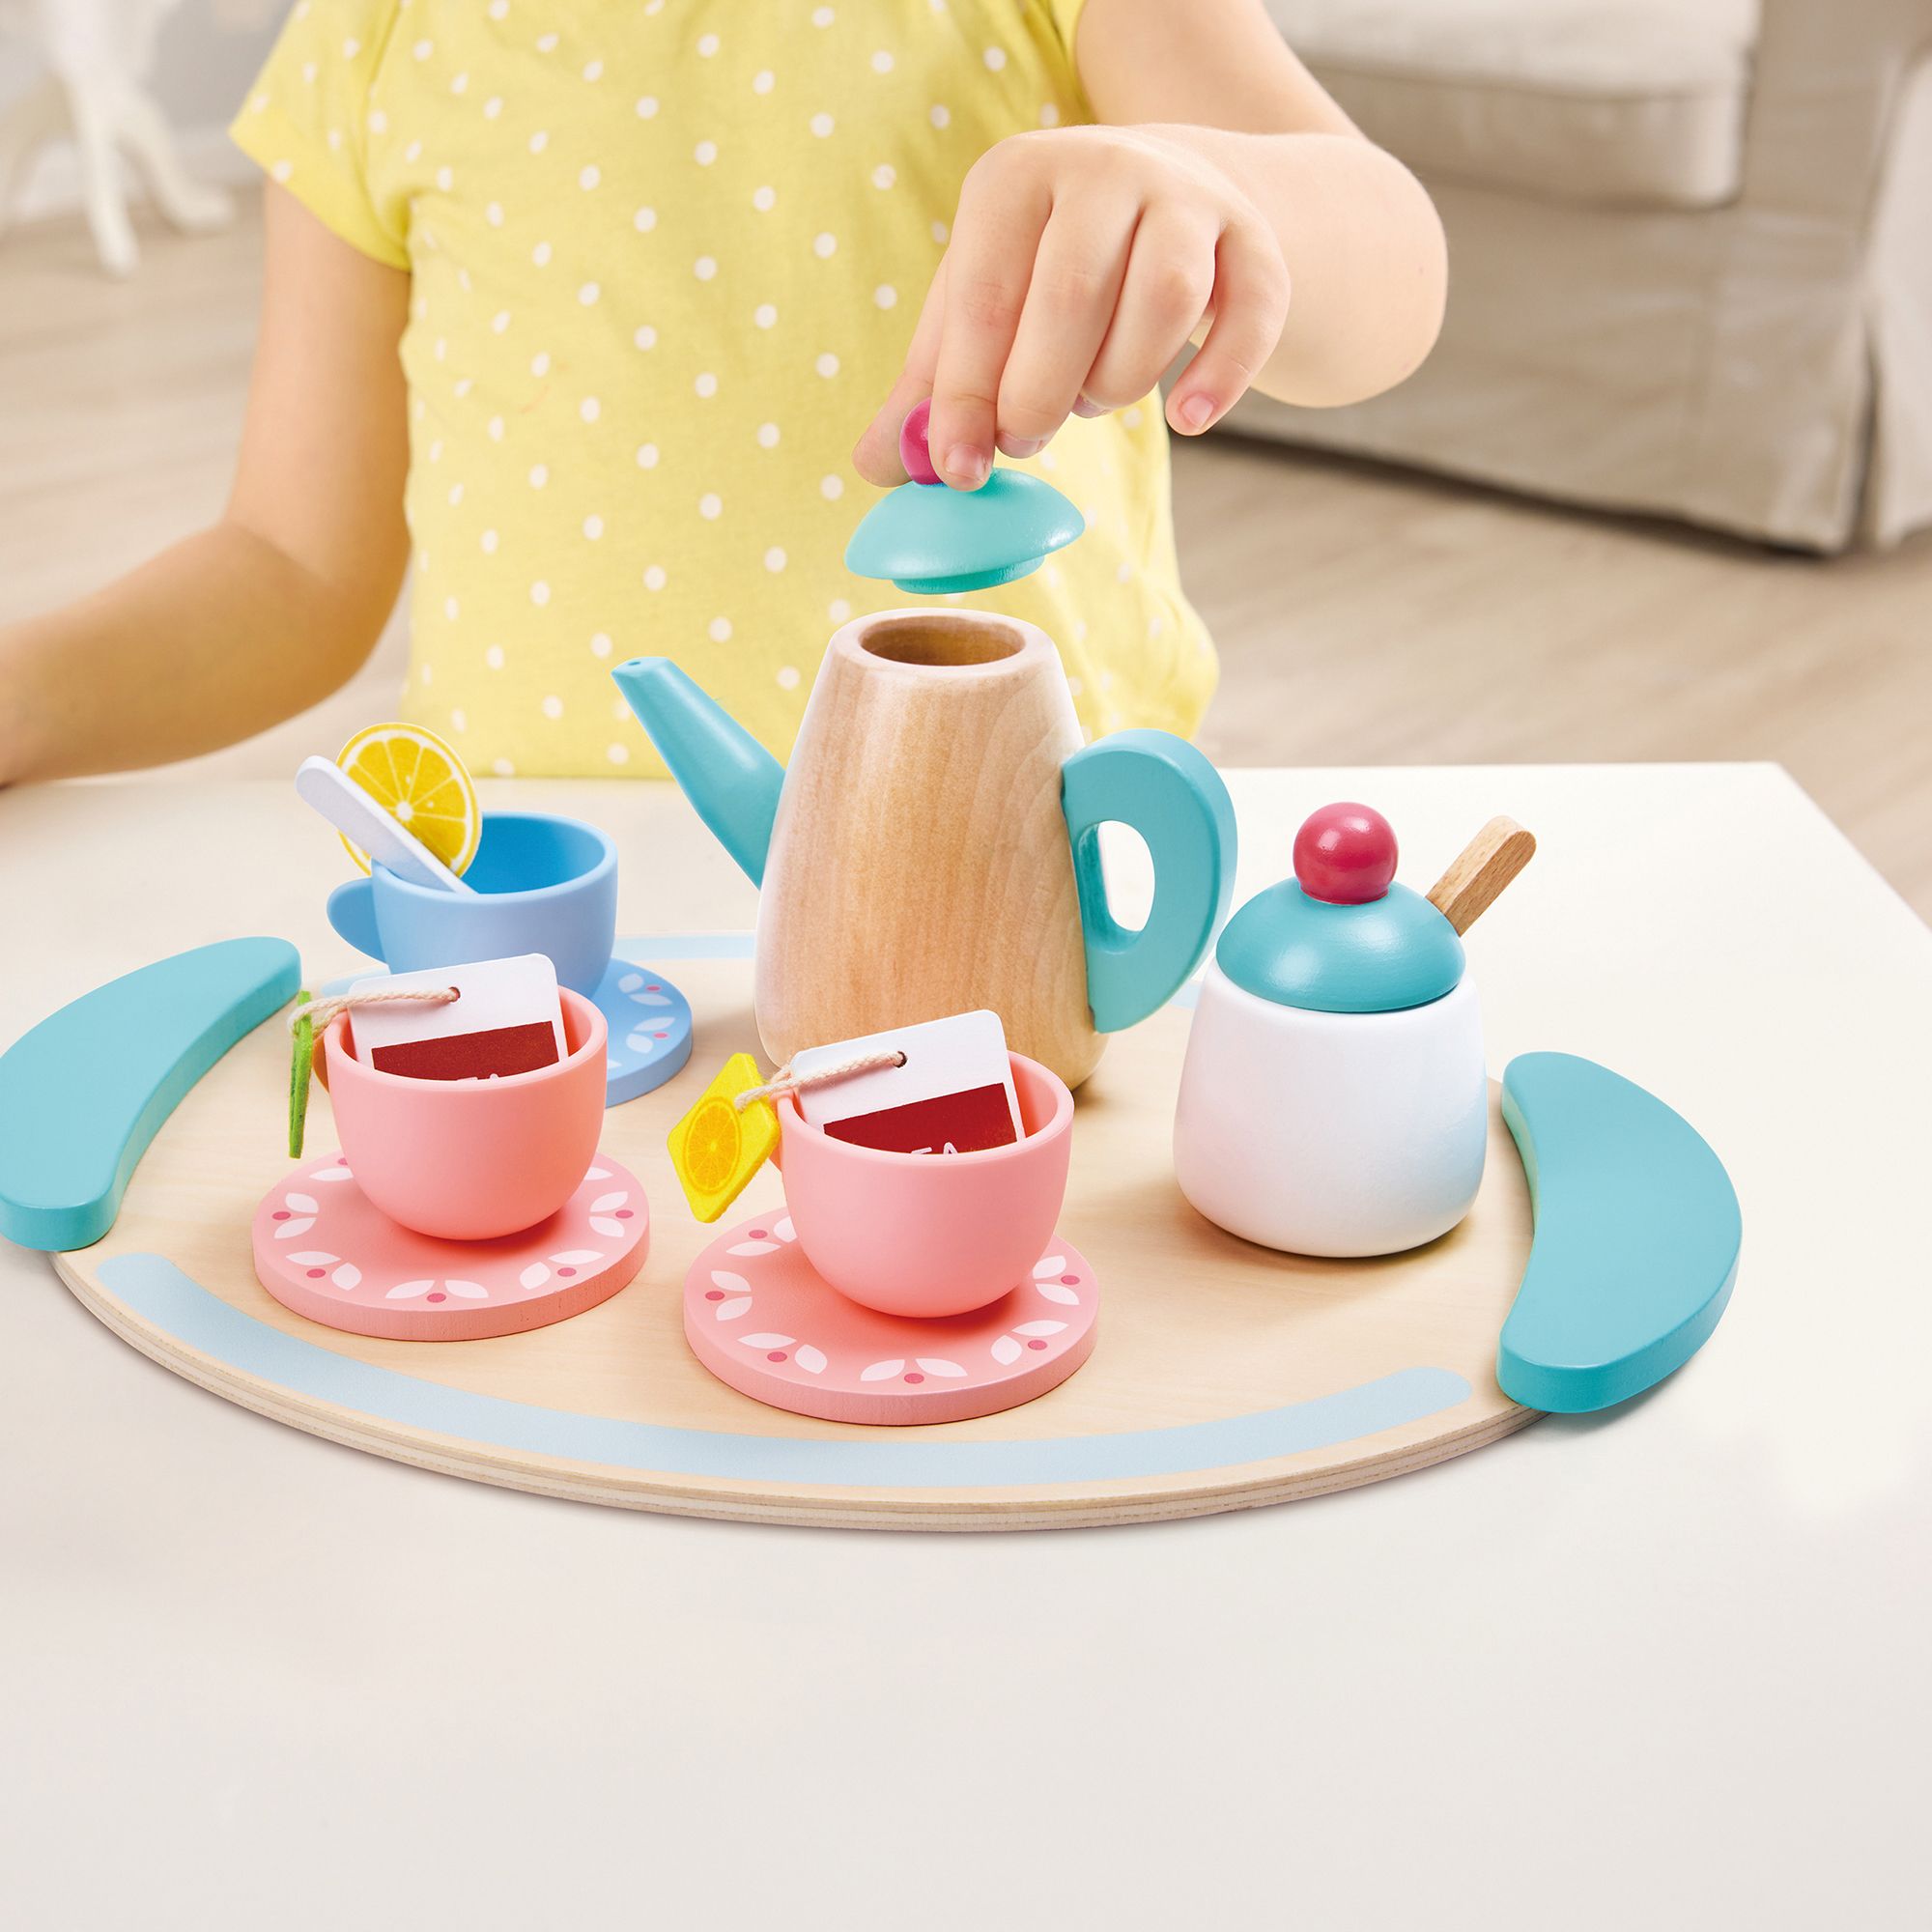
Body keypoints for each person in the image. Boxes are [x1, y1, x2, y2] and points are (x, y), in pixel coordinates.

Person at [0, 0, 1444, 785]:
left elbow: (1395, 282)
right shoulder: (373, 33)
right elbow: (291, 565)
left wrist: (1212, 188)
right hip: (538, 925)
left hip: (1024, 874)